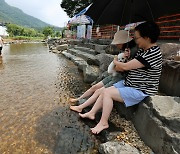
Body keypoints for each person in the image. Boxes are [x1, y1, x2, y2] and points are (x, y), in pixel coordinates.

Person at [78, 21, 162, 134]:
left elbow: (126, 67)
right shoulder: (143, 50)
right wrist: (126, 57)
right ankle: (92, 113)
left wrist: (116, 61)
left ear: (147, 37)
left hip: (140, 89)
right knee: (104, 91)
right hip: (130, 84)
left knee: (107, 93)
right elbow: (131, 64)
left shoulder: (152, 53)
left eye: (137, 38)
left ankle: (103, 123)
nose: (136, 41)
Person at [69, 30, 136, 112]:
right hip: (114, 75)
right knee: (94, 87)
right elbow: (118, 67)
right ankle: (78, 99)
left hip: (120, 78)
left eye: (118, 43)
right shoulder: (125, 50)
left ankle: (81, 107)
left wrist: (116, 62)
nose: (116, 45)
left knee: (99, 91)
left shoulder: (132, 52)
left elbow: (122, 68)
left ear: (123, 42)